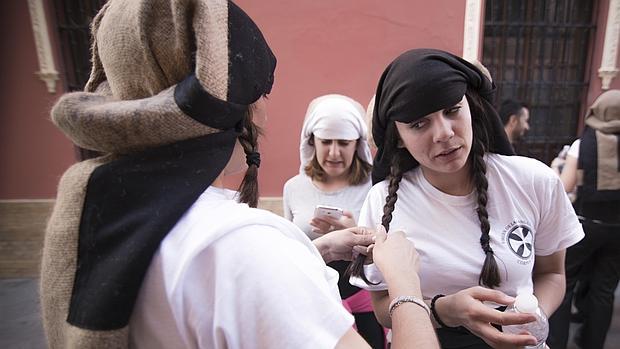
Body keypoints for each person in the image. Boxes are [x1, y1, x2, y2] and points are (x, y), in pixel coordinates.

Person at [39, 1, 439, 348]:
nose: (265, 109)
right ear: (238, 105)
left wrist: (314, 249)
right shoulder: (244, 246)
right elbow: (243, 272)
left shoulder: (98, 212)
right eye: (261, 91)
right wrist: (404, 284)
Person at [349, 48, 584, 348]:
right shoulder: (382, 202)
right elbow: (382, 305)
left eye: (451, 110)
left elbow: (552, 273)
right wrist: (446, 310)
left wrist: (527, 317)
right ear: (397, 137)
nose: (444, 133)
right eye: (419, 124)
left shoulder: (534, 181)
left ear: (471, 107)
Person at [283, 94, 386, 347]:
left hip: (365, 301)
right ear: (312, 141)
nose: (334, 152)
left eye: (344, 142)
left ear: (357, 144)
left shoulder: (376, 185)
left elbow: (392, 247)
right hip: (313, 302)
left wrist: (354, 232)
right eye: (326, 141)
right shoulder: (294, 188)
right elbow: (288, 247)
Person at [547, 89, 620, 349]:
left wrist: (557, 168)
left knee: (565, 284)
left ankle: (556, 342)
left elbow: (564, 185)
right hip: (618, 231)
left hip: (586, 225)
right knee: (604, 291)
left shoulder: (584, 143)